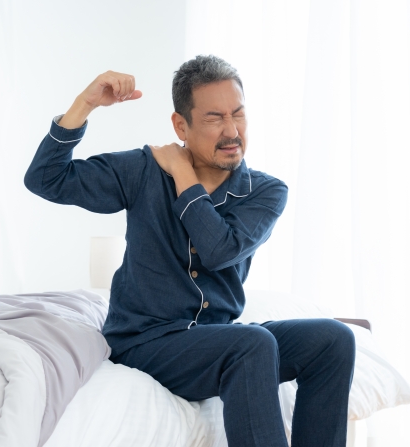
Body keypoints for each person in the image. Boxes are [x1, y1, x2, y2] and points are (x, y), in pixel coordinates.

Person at [25, 55, 355, 447]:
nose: (232, 131)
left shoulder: (265, 191)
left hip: (217, 340)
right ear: (181, 126)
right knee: (252, 344)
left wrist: (183, 173)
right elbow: (45, 179)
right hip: (146, 342)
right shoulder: (143, 170)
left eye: (238, 114)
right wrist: (86, 103)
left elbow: (220, 249)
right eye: (215, 118)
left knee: (334, 339)